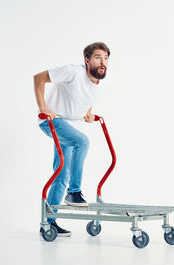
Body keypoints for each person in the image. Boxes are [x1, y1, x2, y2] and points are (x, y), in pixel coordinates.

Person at [34, 42, 110, 236]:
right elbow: (39, 78)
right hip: (53, 121)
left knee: (61, 175)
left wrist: (89, 114)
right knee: (82, 142)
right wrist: (43, 109)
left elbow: (86, 102)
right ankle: (74, 192)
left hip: (71, 127)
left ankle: (49, 223)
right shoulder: (73, 72)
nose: (103, 62)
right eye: (98, 57)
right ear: (87, 61)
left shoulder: (99, 85)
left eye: (106, 58)